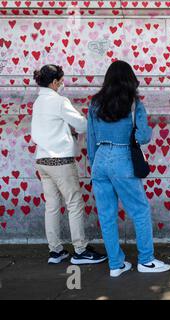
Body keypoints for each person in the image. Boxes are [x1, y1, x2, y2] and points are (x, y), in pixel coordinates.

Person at [87, 60, 170, 277]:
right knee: (140, 210)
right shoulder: (133, 103)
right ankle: (146, 260)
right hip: (122, 158)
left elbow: (91, 139)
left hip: (99, 160)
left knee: (106, 216)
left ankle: (116, 264)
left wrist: (95, 165)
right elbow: (142, 136)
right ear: (130, 79)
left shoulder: (94, 103)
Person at [31, 64, 107, 265]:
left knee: (52, 206)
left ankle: (55, 251)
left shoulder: (38, 102)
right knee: (74, 204)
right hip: (61, 161)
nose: (63, 83)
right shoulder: (59, 101)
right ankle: (80, 250)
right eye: (61, 80)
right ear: (54, 82)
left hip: (42, 161)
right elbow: (81, 124)